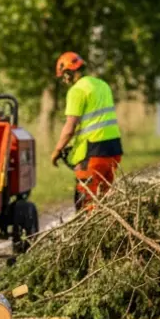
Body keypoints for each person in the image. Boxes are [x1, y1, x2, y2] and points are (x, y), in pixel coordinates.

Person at [49, 52, 122, 211]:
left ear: (69, 72)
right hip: (114, 150)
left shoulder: (77, 91)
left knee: (86, 201)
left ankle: (90, 233)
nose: (63, 80)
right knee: (105, 200)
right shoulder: (102, 85)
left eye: (63, 76)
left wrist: (57, 151)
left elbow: (69, 129)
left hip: (94, 151)